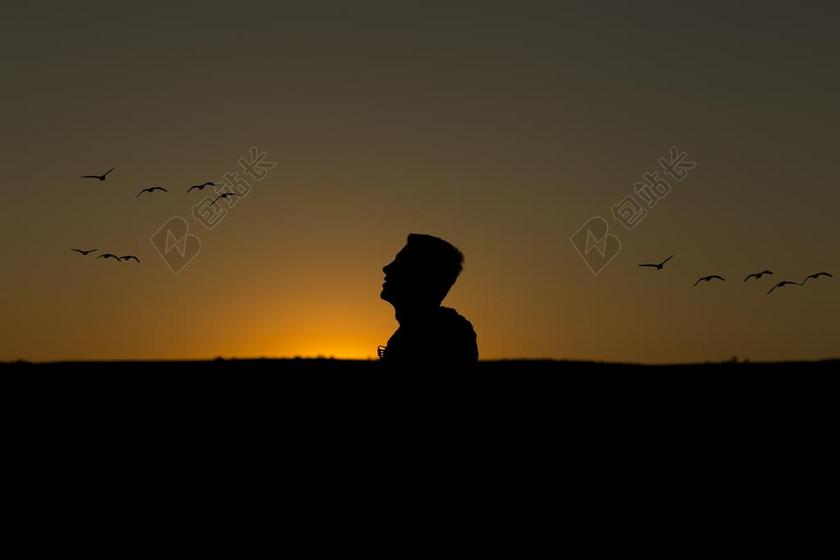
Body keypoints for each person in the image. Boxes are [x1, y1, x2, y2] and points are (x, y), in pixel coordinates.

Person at [379, 234, 478, 369]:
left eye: (400, 263)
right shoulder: (413, 332)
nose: (387, 268)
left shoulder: (445, 335)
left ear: (421, 277)